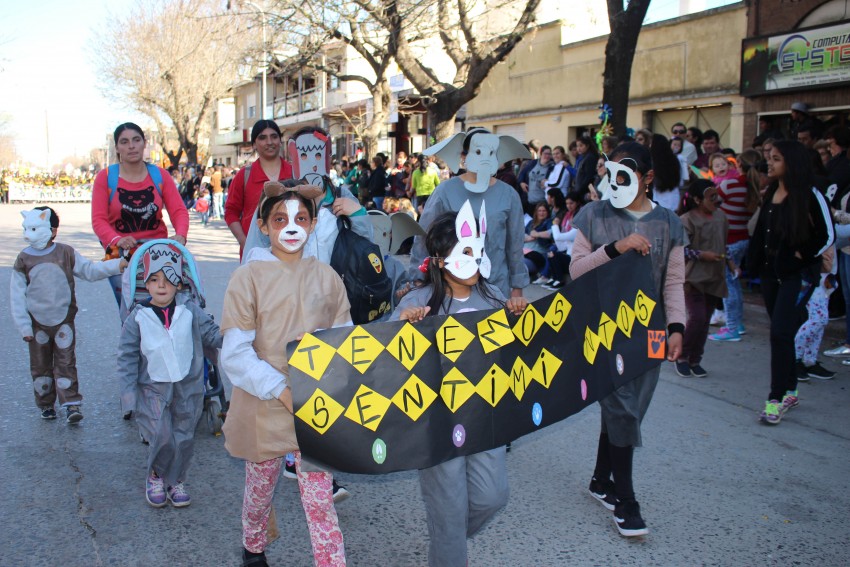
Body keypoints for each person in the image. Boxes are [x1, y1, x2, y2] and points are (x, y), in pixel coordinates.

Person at [220, 183, 349, 567]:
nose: (291, 226)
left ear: (311, 225)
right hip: (265, 404)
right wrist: (280, 390)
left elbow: (346, 337)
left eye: (301, 218)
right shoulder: (248, 278)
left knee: (320, 502)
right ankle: (253, 544)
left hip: (315, 406)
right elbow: (236, 352)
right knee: (261, 489)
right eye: (280, 219)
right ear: (263, 225)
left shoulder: (327, 276)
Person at [391, 205, 528, 567]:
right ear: (439, 260)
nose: (475, 257)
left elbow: (518, 353)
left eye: (478, 249)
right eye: (465, 251)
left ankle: (447, 538)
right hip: (438, 428)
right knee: (450, 513)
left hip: (485, 420)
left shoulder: (495, 297)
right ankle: (449, 544)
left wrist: (519, 319)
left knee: (492, 496)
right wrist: (402, 324)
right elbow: (385, 356)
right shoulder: (418, 302)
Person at [570, 142, 685, 537]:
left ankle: (602, 479)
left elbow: (673, 281)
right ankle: (626, 501)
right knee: (621, 409)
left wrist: (677, 328)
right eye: (609, 171)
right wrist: (615, 248)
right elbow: (577, 272)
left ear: (648, 177)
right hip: (603, 329)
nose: (612, 181)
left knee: (630, 410)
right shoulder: (593, 214)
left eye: (624, 173)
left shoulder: (670, 222)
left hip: (650, 331)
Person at [117, 243, 222, 507]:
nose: (161, 285)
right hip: (152, 388)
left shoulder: (190, 310)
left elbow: (212, 334)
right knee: (162, 436)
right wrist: (128, 394)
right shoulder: (137, 318)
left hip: (188, 386)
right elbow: (127, 357)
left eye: (168, 279)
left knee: (184, 437)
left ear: (180, 284)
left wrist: (237, 337)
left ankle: (176, 480)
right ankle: (156, 475)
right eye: (154, 279)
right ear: (145, 283)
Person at [12, 207, 127, 423]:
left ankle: (71, 404)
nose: (28, 234)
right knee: (40, 365)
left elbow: (90, 270)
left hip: (63, 321)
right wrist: (23, 326)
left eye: (34, 228)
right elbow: (17, 295)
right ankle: (46, 404)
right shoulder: (24, 259)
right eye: (26, 229)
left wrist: (117, 265)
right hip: (37, 325)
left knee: (66, 362)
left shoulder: (65, 253)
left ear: (53, 230)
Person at [747, 140, 834, 425]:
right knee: (780, 333)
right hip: (771, 274)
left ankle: (775, 399)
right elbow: (761, 233)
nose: (769, 163)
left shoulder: (810, 195)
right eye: (769, 158)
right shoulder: (771, 190)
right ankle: (791, 390)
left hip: (797, 277)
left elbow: (827, 234)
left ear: (791, 162)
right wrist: (750, 265)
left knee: (780, 333)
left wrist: (803, 255)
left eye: (776, 159)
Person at [411, 128, 530, 300]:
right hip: (451, 290)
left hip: (496, 286)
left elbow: (515, 245)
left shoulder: (509, 195)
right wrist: (418, 279)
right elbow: (423, 237)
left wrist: (517, 287)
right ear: (464, 156)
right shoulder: (444, 192)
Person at [91, 123, 189, 306]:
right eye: (124, 142)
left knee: (162, 308)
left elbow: (179, 211)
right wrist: (116, 239)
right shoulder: (105, 178)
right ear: (117, 147)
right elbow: (98, 220)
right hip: (120, 256)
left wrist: (181, 235)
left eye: (136, 140)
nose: (131, 146)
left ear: (144, 143)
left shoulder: (160, 176)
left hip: (158, 252)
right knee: (130, 314)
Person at [674, 180, 728, 377]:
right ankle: (681, 355)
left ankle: (695, 359)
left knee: (705, 321)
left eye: (717, 195)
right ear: (697, 200)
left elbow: (724, 245)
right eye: (711, 197)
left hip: (714, 276)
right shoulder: (686, 220)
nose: (717, 200)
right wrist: (701, 255)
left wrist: (731, 264)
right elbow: (679, 249)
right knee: (697, 318)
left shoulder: (721, 217)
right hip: (692, 277)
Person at [224, 120, 294, 255]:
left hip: (291, 250)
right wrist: (244, 241)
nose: (269, 142)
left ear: (280, 141)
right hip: (254, 253)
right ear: (254, 144)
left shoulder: (295, 173)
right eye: (262, 138)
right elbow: (231, 212)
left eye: (274, 136)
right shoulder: (244, 175)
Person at [794, 245, 838, 380]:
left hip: (823, 274)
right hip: (814, 273)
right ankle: (793, 359)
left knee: (819, 320)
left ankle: (809, 361)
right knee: (819, 319)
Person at [524, 202, 553, 278]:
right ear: (536, 212)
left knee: (519, 264)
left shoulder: (549, 221)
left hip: (538, 253)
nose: (541, 213)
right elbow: (520, 235)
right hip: (524, 251)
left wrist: (537, 234)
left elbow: (551, 233)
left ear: (547, 212)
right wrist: (529, 238)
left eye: (544, 211)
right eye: (539, 211)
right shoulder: (531, 222)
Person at [574, 135, 600, 203]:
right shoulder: (583, 157)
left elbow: (589, 176)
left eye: (581, 146)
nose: (578, 148)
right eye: (577, 146)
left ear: (587, 146)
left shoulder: (590, 158)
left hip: (585, 191)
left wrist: (580, 190)